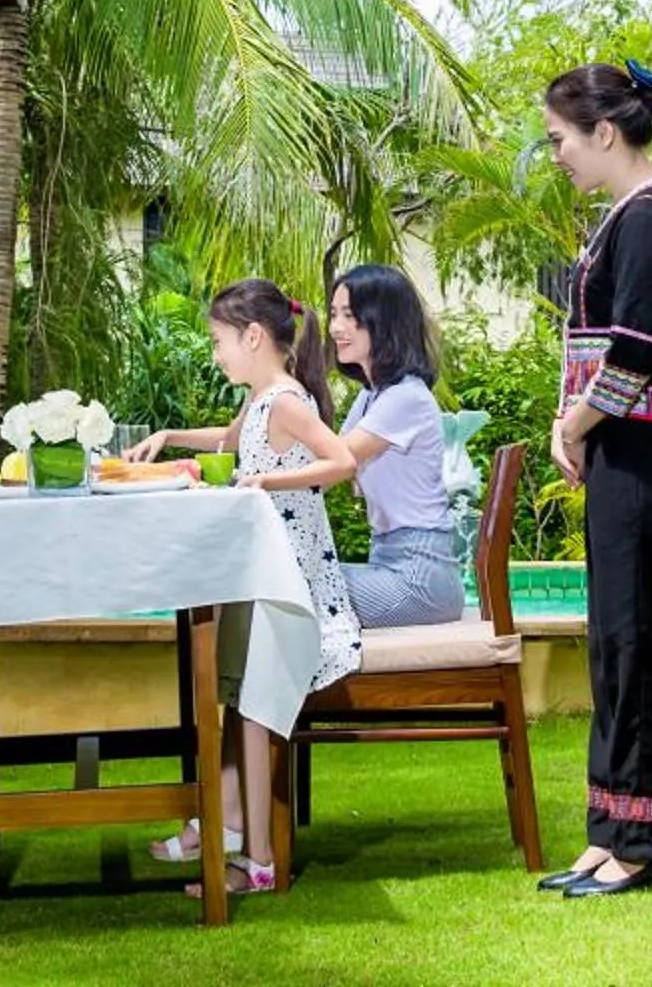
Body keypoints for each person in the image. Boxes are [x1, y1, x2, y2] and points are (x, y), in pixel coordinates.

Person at [126, 279, 360, 896]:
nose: (216, 353)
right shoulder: (261, 401)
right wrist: (170, 439)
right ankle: (229, 831)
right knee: (239, 706)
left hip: (291, 590)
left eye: (219, 341)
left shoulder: (286, 400)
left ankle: (256, 862)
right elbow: (231, 442)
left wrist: (266, 487)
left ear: (253, 337)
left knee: (254, 713)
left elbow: (341, 462)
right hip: (261, 579)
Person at [538, 59, 652, 899]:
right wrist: (572, 428)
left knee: (638, 646)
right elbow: (598, 344)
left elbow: (637, 349)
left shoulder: (648, 218)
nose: (558, 154)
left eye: (561, 139)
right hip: (621, 452)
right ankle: (609, 832)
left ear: (606, 132)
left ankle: (646, 840)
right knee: (612, 644)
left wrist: (577, 423)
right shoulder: (622, 218)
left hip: (647, 454)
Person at [325, 264, 466, 628]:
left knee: (297, 587)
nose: (336, 328)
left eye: (350, 316)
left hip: (419, 578)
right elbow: (330, 460)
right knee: (291, 582)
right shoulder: (373, 396)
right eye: (333, 314)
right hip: (388, 563)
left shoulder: (407, 398)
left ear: (383, 322)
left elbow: (336, 460)